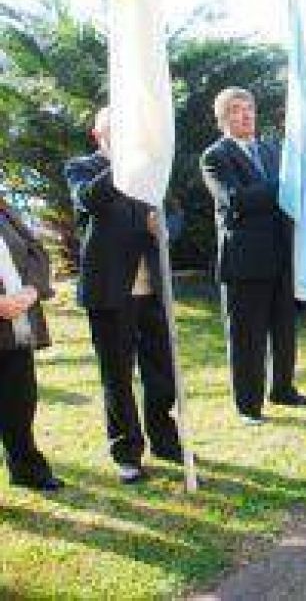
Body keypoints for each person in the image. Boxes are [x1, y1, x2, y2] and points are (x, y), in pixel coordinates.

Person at [64, 108, 181, 484]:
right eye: (117, 128)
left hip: (152, 290)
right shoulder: (82, 167)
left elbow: (174, 211)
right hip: (110, 291)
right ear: (98, 134)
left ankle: (165, 440)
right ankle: (127, 452)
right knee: (117, 377)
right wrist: (123, 165)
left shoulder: (150, 170)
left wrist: (164, 225)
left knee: (161, 372)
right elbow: (88, 199)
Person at [201, 87, 306, 425]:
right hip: (246, 262)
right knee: (247, 337)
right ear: (223, 118)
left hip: (280, 254)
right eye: (237, 110)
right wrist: (284, 184)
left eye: (249, 108)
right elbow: (235, 200)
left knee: (283, 330)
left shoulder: (270, 149)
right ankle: (248, 406)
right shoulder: (215, 156)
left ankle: (283, 388)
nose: (246, 114)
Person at [0, 197, 62, 492]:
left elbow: (36, 250)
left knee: (20, 401)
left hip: (16, 324)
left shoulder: (3, 208)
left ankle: (25, 468)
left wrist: (32, 289)